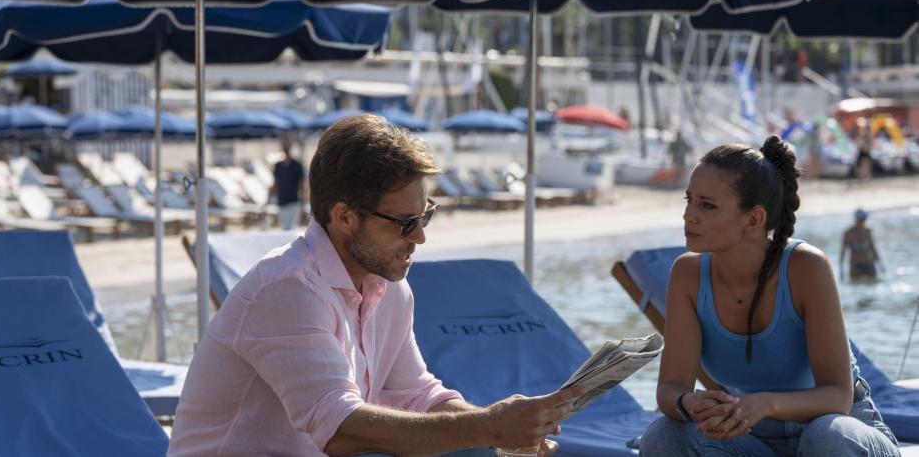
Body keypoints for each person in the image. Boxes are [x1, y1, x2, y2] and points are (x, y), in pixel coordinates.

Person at [169, 114, 585, 456]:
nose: (419, 238)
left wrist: (503, 438)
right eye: (406, 222)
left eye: (426, 217)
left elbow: (418, 396)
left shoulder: (389, 288)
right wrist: (488, 427)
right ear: (345, 217)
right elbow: (340, 429)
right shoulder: (287, 288)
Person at [640, 137, 900, 456]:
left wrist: (765, 403)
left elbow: (838, 397)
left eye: (706, 205)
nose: (688, 216)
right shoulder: (687, 274)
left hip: (839, 428)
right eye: (688, 200)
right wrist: (690, 403)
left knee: (824, 437)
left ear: (753, 219)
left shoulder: (807, 267)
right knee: (663, 435)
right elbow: (670, 388)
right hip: (753, 438)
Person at [270, 137, 306, 230]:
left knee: (290, 229)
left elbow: (302, 185)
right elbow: (275, 184)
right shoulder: (277, 166)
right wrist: (268, 200)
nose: (286, 147)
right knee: (284, 229)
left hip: (293, 202)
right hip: (281, 201)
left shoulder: (297, 165)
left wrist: (303, 203)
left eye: (287, 145)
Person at [841, 208, 883, 281]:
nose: (864, 221)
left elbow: (873, 248)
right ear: (857, 219)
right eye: (863, 219)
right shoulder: (848, 233)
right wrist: (841, 270)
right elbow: (843, 252)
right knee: (855, 284)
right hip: (855, 265)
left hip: (869, 263)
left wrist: (880, 264)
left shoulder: (868, 231)